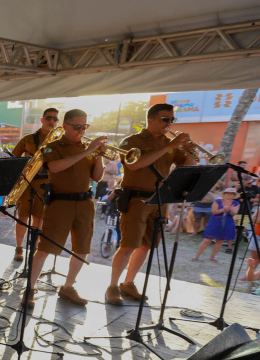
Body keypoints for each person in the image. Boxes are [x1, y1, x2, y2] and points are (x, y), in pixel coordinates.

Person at [104, 103, 193, 305]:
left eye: (172, 120)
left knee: (148, 245)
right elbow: (134, 164)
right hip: (136, 199)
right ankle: (112, 286)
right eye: (165, 119)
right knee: (128, 245)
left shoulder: (168, 142)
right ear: (150, 119)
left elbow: (187, 166)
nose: (169, 123)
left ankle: (129, 282)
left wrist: (187, 150)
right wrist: (170, 146)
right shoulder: (132, 141)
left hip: (160, 200)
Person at [25, 109, 106, 307]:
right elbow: (55, 168)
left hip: (85, 202)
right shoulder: (53, 147)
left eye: (84, 127)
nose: (81, 130)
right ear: (65, 126)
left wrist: (99, 156)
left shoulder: (88, 147)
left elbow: (97, 177)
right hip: (60, 203)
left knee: (82, 248)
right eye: (77, 126)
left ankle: (69, 286)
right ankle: (30, 288)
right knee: (45, 248)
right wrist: (88, 151)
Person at [11, 108, 59, 261]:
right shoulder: (28, 139)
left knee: (39, 219)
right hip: (27, 182)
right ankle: (19, 247)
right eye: (49, 118)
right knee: (23, 216)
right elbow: (14, 157)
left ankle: (34, 247)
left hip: (46, 182)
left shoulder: (58, 142)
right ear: (42, 120)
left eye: (55, 119)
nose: (51, 121)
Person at [192, 187, 240, 262]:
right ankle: (196, 256)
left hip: (227, 222)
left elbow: (233, 214)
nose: (229, 195)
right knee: (207, 240)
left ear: (234, 195)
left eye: (231, 194)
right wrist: (223, 209)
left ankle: (212, 257)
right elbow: (214, 212)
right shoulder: (217, 201)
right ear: (224, 194)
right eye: (227, 193)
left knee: (220, 241)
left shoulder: (236, 203)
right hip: (215, 221)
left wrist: (230, 210)